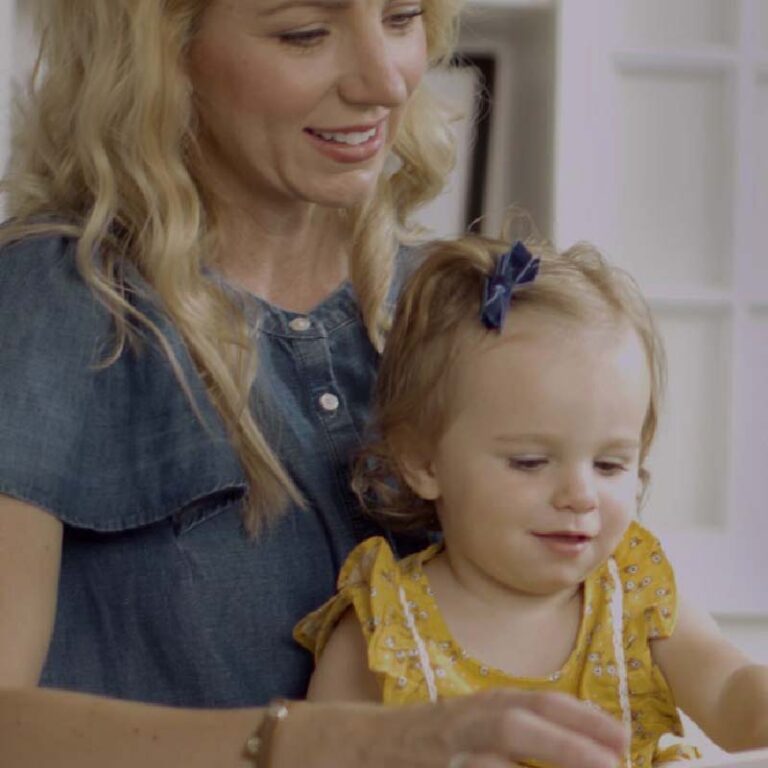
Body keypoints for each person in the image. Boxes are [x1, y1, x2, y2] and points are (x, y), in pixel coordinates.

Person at [0, 1, 629, 766]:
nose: (387, 82)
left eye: (401, 17)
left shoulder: (459, 311)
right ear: (164, 54)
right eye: (305, 32)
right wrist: (322, 741)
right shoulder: (44, 303)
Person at [295, 235, 768, 766]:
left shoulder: (634, 591)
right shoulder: (384, 629)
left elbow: (731, 694)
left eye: (610, 465)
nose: (580, 495)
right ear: (424, 462)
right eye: (529, 462)